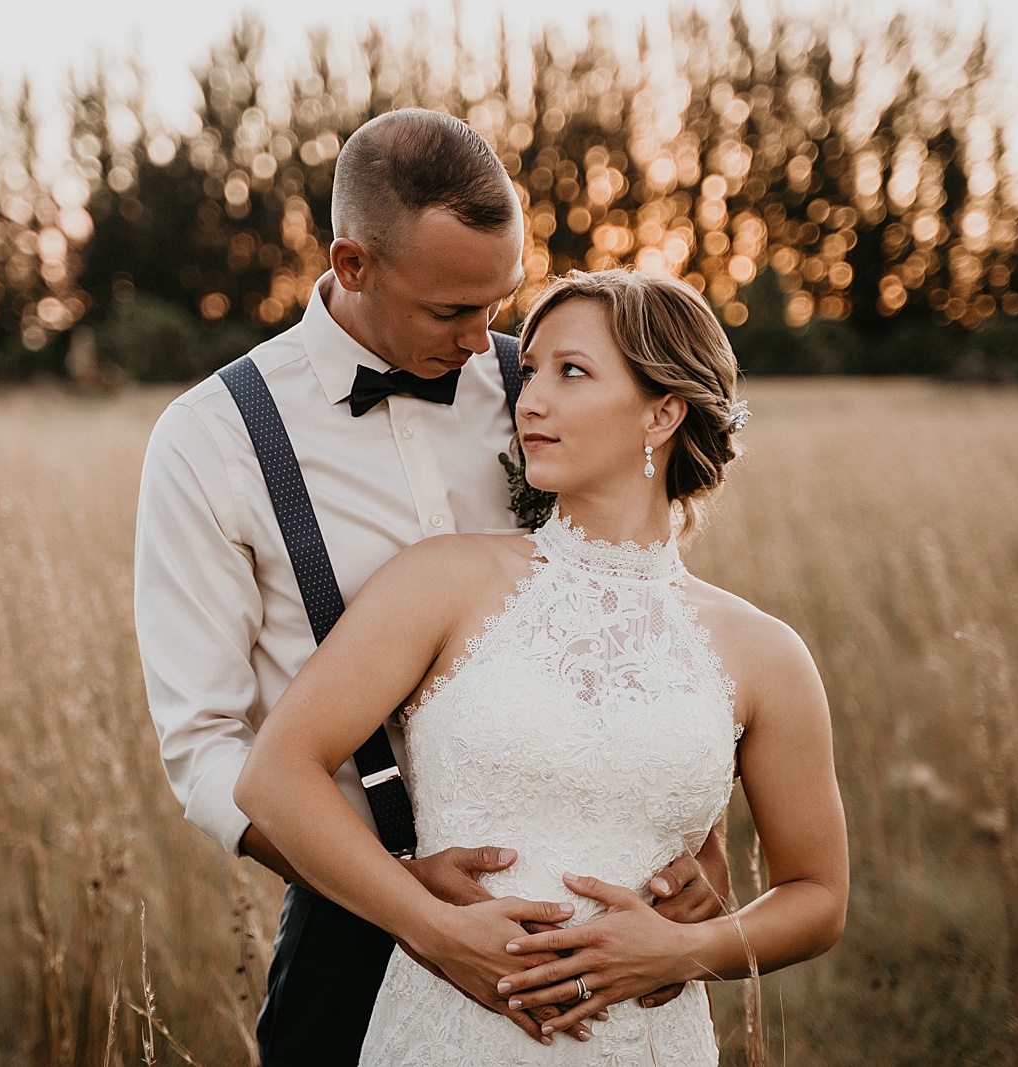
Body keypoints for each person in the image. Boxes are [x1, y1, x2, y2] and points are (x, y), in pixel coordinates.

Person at [134, 109, 733, 1065]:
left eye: (497, 303)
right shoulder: (212, 441)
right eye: (451, 312)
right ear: (355, 264)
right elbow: (205, 743)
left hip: (592, 913)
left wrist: (696, 845)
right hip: (351, 907)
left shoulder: (540, 392)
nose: (481, 341)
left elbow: (643, 610)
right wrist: (406, 898)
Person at [234, 267, 849, 1064]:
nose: (529, 400)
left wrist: (679, 952)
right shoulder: (442, 580)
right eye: (530, 372)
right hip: (445, 1031)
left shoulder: (765, 651)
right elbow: (274, 774)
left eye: (572, 372)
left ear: (663, 411)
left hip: (647, 1042)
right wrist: (435, 929)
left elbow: (818, 895)